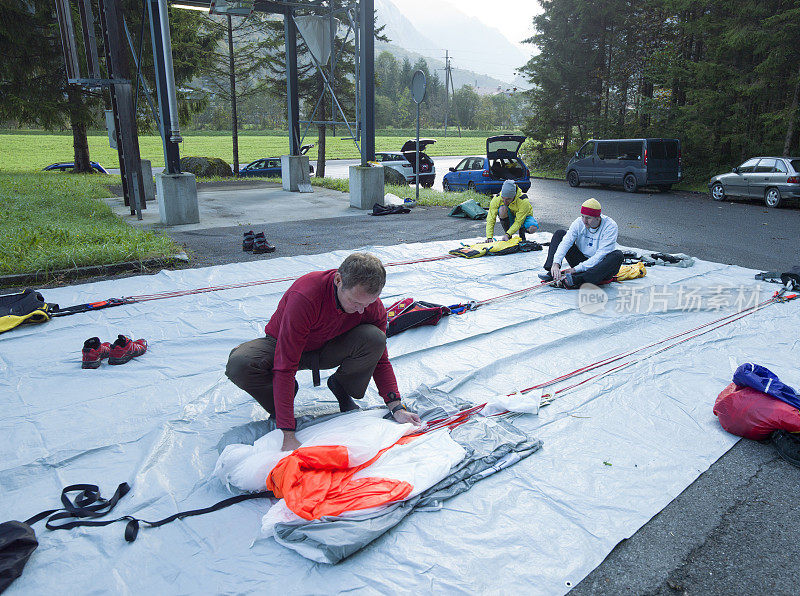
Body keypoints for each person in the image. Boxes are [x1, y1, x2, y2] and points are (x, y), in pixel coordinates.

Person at [225, 253, 421, 452]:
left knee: (375, 338)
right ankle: (280, 402)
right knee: (241, 363)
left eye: (367, 304)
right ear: (338, 280)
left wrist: (396, 406)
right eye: (355, 302)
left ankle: (341, 386)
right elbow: (285, 365)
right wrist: (287, 432)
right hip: (284, 346)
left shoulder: (371, 307)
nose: (362, 311)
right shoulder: (305, 296)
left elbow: (381, 359)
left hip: (328, 347)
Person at [539, 198, 624, 289]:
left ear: (598, 218)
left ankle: (578, 280)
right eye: (582, 216)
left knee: (618, 255)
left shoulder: (610, 226)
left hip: (599, 267)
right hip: (581, 261)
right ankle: (553, 272)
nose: (584, 221)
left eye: (588, 218)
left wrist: (575, 269)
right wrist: (556, 263)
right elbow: (566, 242)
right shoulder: (579, 222)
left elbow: (600, 255)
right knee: (560, 234)